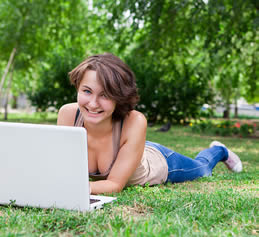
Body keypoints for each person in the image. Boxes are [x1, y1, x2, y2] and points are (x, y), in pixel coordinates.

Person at [57, 53, 242, 195]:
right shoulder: (68, 115)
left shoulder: (134, 121)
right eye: (87, 91)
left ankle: (220, 151)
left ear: (118, 97)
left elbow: (114, 184)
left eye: (105, 95)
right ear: (77, 88)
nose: (93, 103)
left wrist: (75, 189)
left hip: (160, 162)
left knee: (202, 169)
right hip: (133, 150)